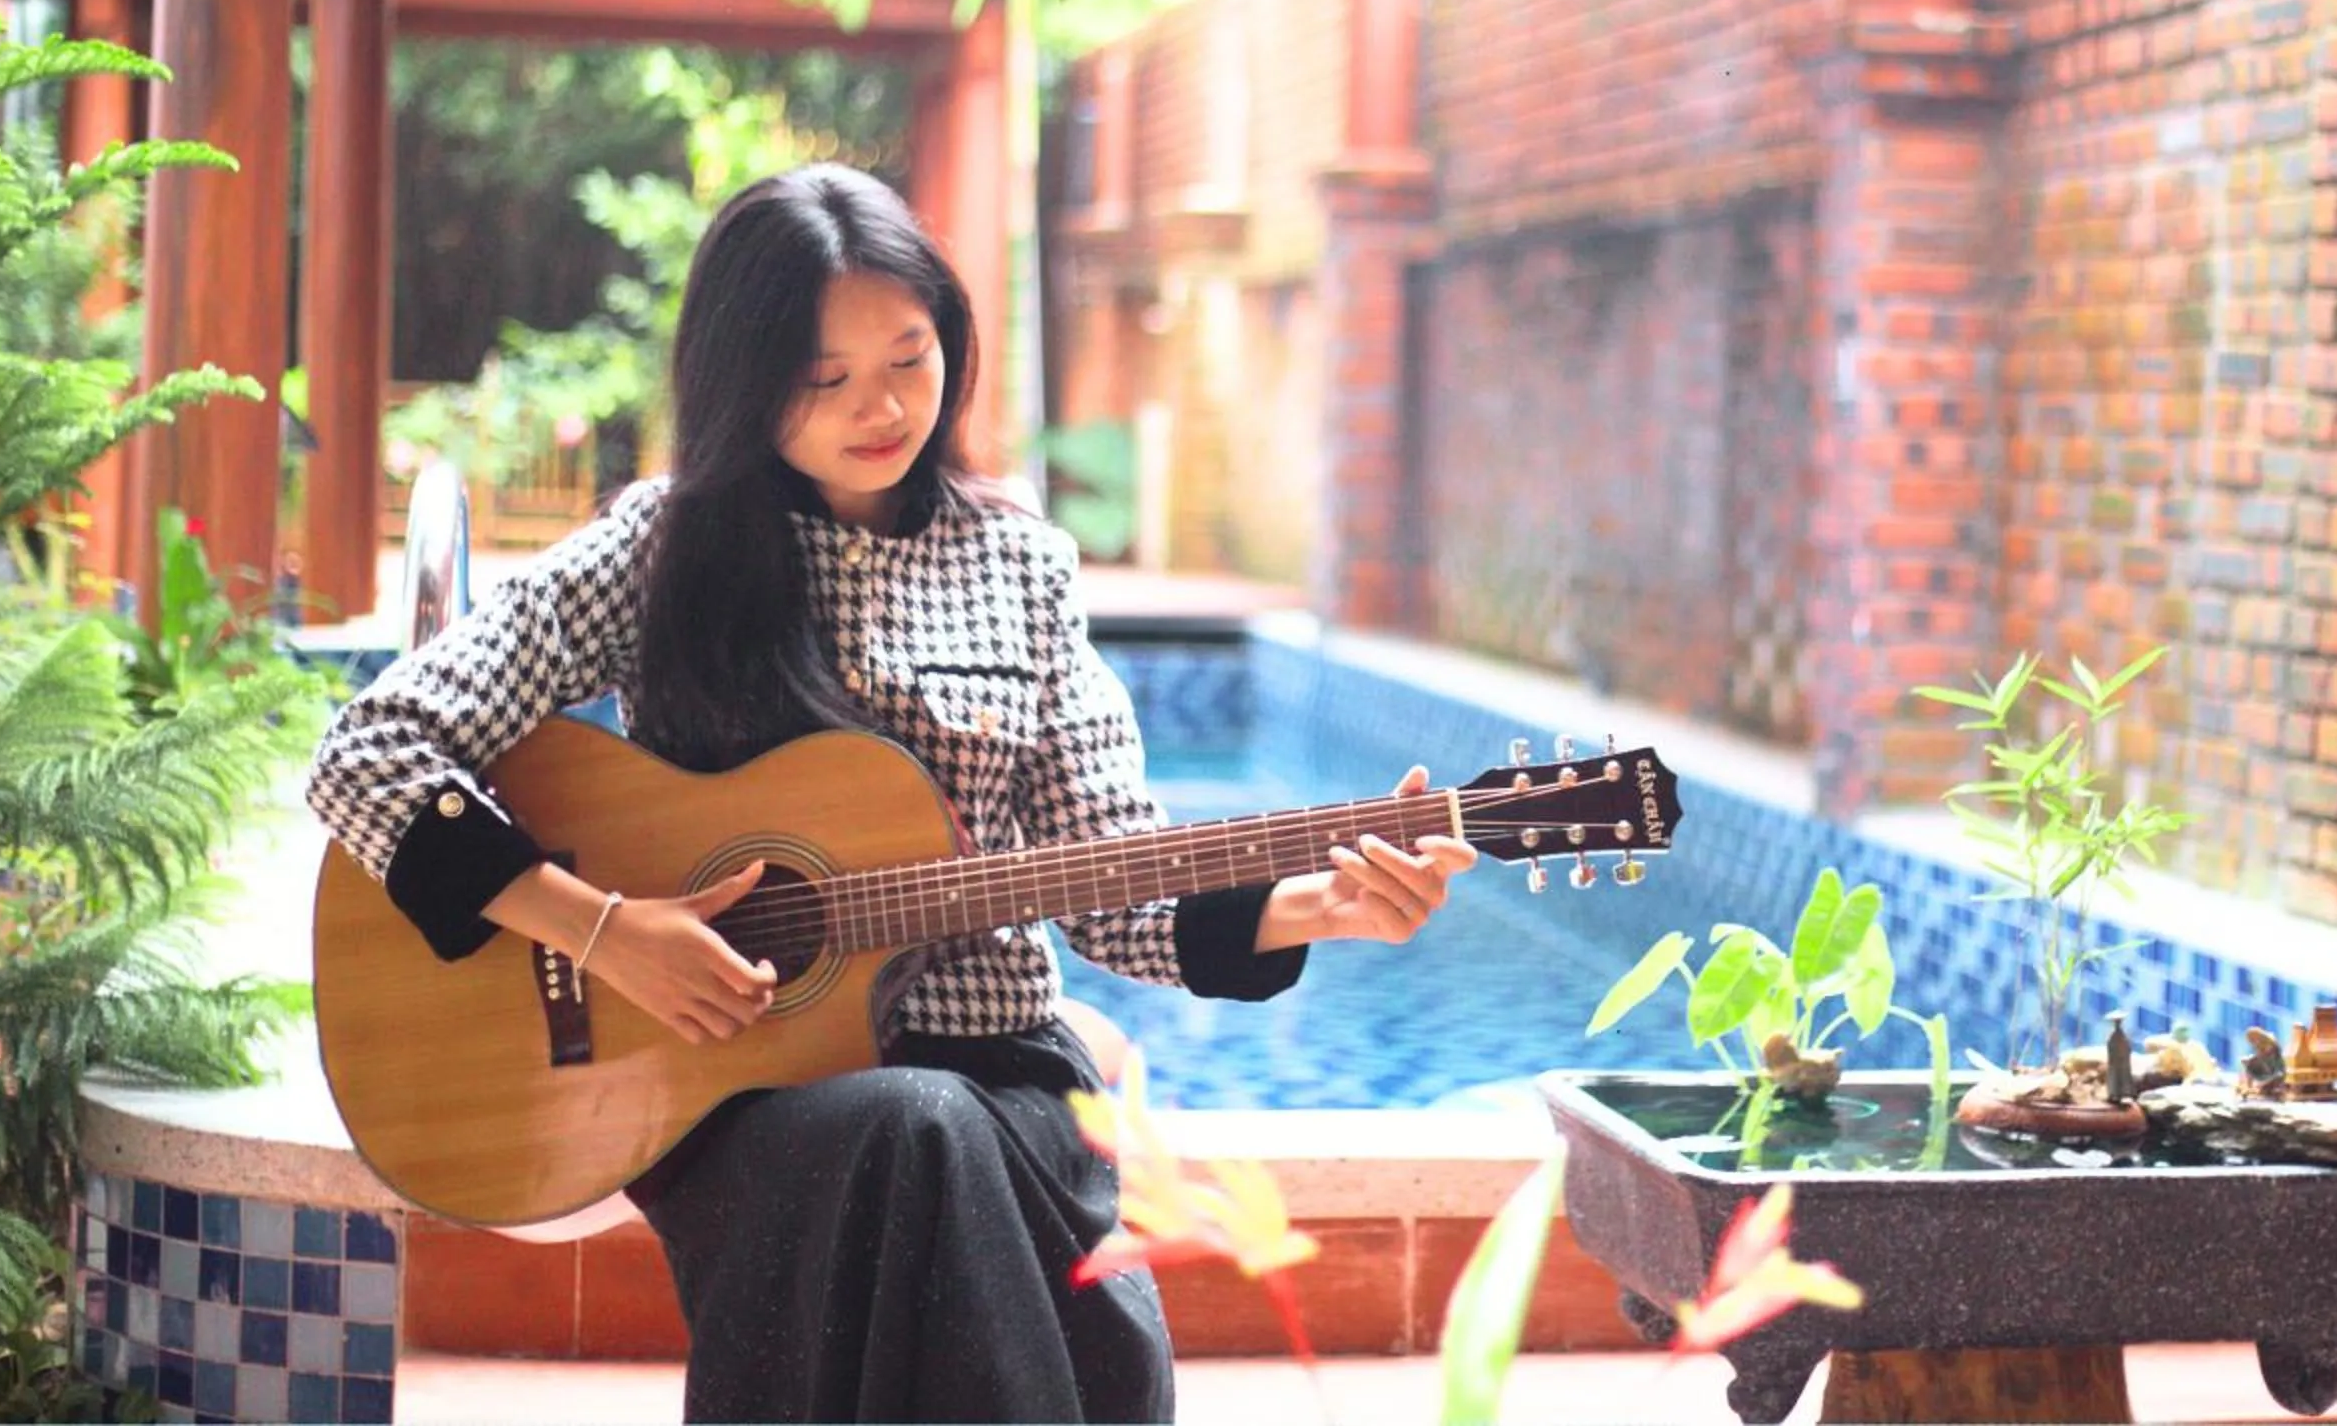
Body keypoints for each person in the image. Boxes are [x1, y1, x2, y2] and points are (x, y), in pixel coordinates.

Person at [305, 163, 1478, 1423]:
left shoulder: (1020, 565)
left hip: (1004, 1080)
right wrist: (601, 930)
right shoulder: (662, 550)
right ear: (744, 378)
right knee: (915, 1130)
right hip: (742, 1092)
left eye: (911, 359)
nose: (882, 407)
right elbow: (367, 753)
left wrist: (1315, 908)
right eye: (825, 379)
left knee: (962, 1157)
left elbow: (1111, 879)